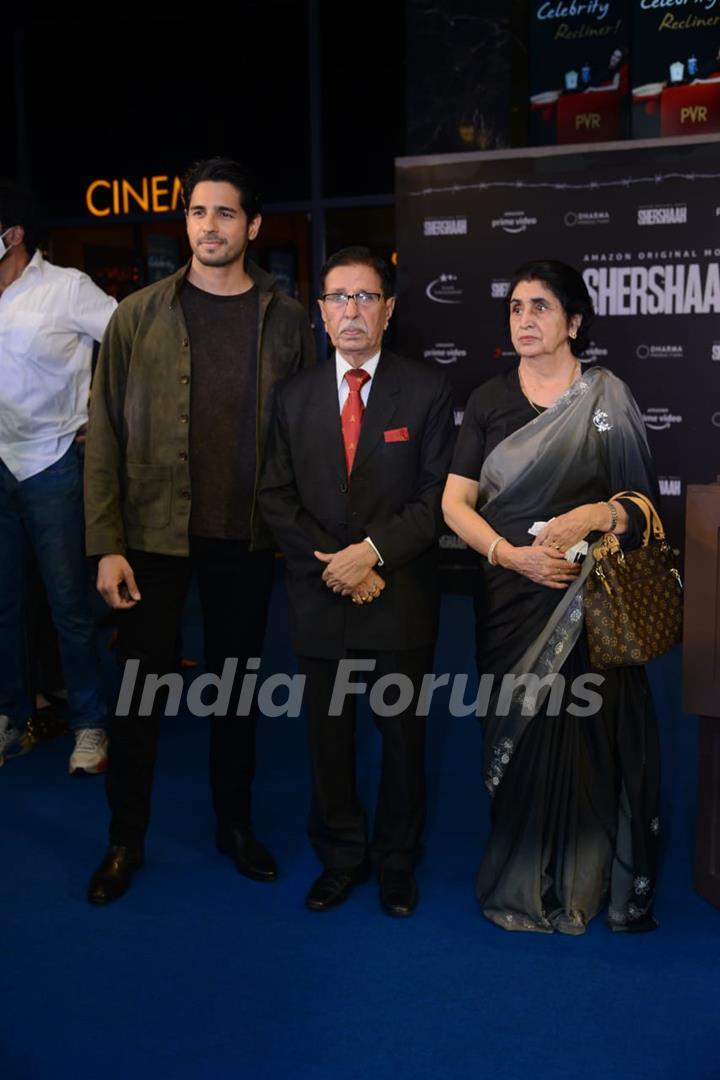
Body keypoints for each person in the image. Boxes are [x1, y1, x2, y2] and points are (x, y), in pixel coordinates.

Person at [83, 156, 315, 904]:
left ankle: (234, 826)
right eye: (195, 212)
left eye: (223, 214)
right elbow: (106, 434)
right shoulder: (137, 314)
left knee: (238, 693)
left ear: (251, 226)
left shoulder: (287, 321)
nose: (207, 226)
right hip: (151, 535)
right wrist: (106, 542)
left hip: (245, 537)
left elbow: (306, 431)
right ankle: (125, 838)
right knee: (140, 696)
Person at [442, 259, 661, 935]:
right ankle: (523, 875)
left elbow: (644, 507)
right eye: (516, 308)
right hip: (511, 600)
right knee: (519, 737)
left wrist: (597, 514)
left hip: (592, 609)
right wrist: (511, 557)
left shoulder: (608, 398)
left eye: (541, 308)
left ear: (573, 321)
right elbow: (455, 502)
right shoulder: (488, 400)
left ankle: (585, 880)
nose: (526, 321)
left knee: (593, 741)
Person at [259, 246, 455, 917]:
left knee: (403, 741)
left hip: (399, 595)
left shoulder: (427, 392)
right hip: (321, 598)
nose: (350, 310)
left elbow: (435, 501)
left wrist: (370, 555)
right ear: (320, 312)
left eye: (364, 297)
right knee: (328, 739)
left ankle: (397, 861)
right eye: (337, 297)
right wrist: (338, 565)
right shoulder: (291, 397)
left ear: (389, 309)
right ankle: (342, 856)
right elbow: (275, 496)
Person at [0, 182, 115, 773]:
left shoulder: (65, 289)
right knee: (5, 604)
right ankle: (13, 718)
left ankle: (90, 725)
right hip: (0, 466)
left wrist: (101, 414)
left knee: (70, 604)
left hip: (52, 467)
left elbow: (129, 340)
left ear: (13, 235)